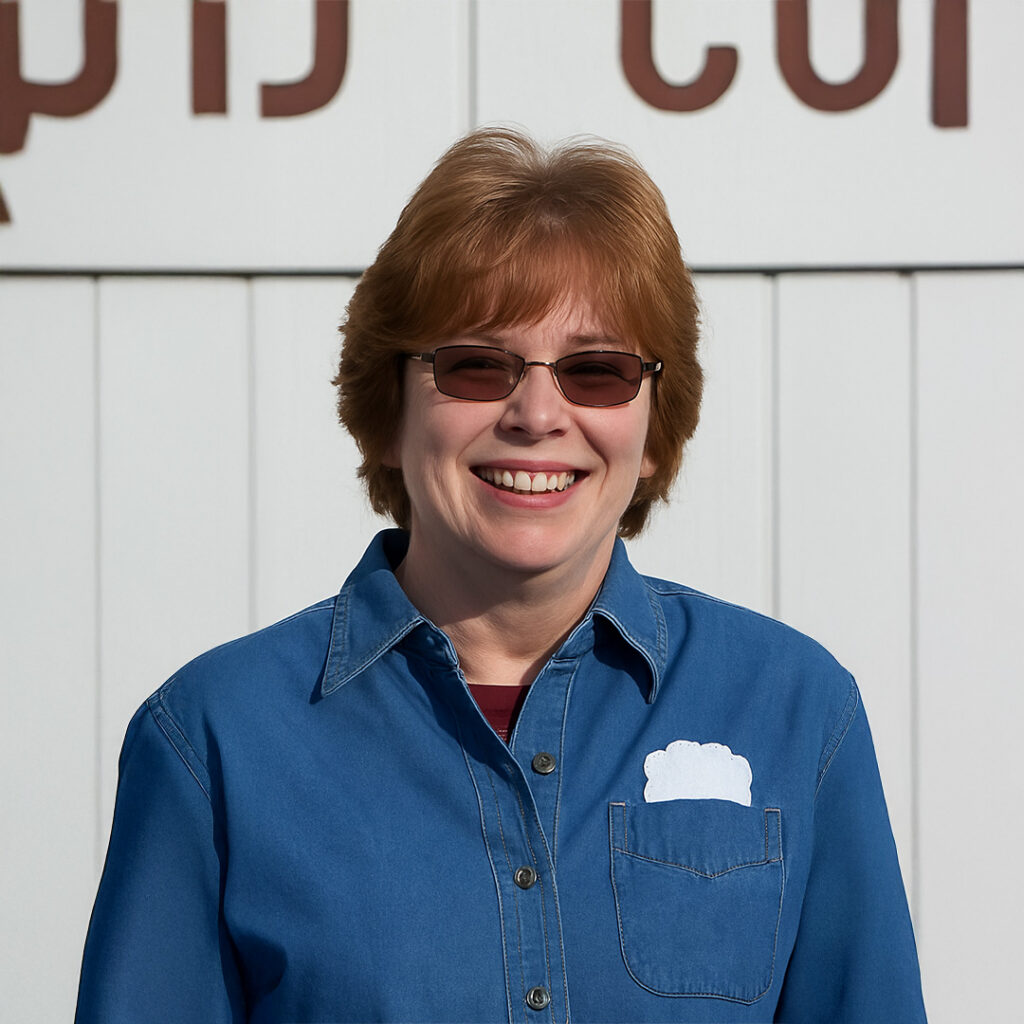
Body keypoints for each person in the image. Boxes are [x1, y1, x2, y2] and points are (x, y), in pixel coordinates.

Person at [76, 127, 926, 1023]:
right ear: (388, 412)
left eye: (597, 371)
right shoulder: (214, 741)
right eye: (477, 365)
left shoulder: (795, 711)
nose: (537, 414)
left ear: (654, 428)